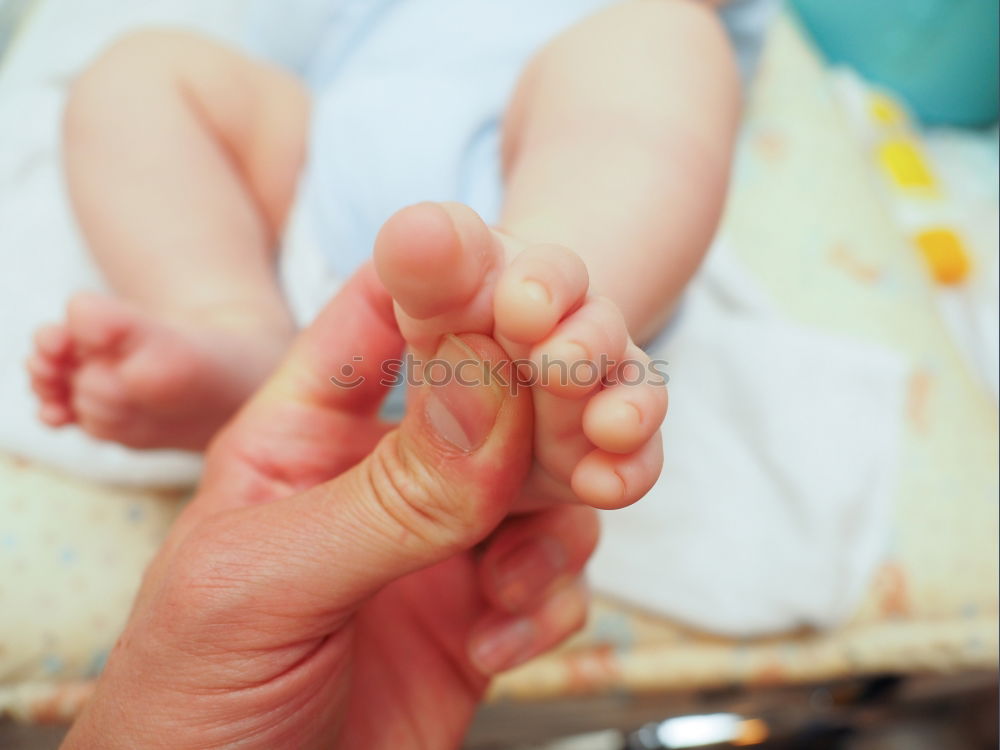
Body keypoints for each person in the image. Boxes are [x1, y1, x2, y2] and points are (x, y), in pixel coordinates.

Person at [27, 0, 744, 509]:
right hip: (319, 184)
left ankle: (541, 306)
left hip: (550, 193)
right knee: (142, 68)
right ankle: (239, 334)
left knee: (666, 40)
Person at [62, 266, 600, 749]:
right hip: (331, 284)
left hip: (408, 290)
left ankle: (540, 286)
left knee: (616, 186)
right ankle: (236, 335)